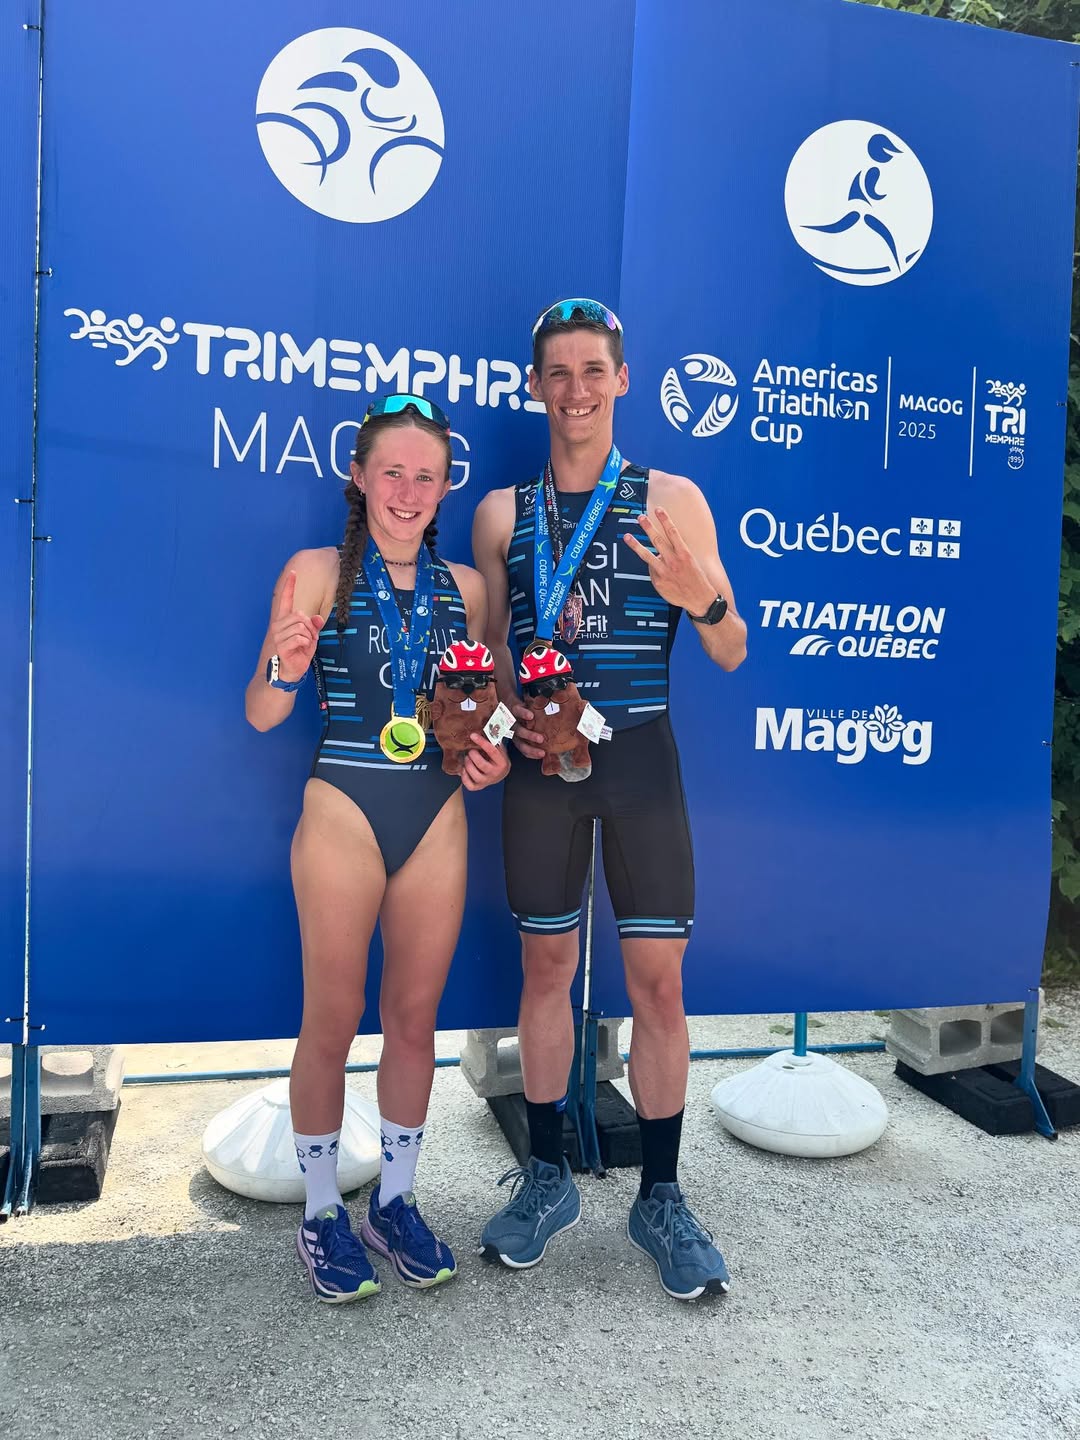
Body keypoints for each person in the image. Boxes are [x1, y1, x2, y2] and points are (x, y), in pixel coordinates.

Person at [471, 299, 747, 1300]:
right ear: (535, 386)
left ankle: (661, 1196)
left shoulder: (673, 500)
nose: (577, 389)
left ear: (622, 381)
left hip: (640, 765)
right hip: (544, 771)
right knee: (546, 969)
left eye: (594, 370)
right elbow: (490, 656)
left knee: (658, 985)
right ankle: (547, 1177)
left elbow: (731, 646)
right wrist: (504, 720)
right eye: (559, 372)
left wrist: (698, 597)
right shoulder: (500, 513)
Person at [246, 394, 509, 1304]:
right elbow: (262, 711)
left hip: (436, 813)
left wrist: (490, 753)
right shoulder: (316, 572)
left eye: (425, 475)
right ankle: (322, 1212)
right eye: (391, 471)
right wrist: (282, 667)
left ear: (446, 488)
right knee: (332, 1015)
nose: (407, 490)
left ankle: (394, 1202)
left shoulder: (469, 589)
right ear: (358, 477)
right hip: (344, 808)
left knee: (414, 1018)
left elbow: (488, 708)